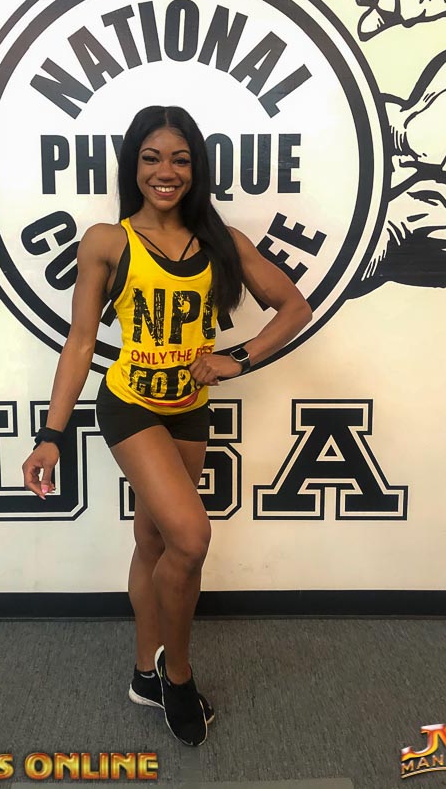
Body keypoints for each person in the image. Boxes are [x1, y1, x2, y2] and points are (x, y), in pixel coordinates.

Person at [22, 105, 312, 747]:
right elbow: (80, 343)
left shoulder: (221, 242)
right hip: (129, 404)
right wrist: (51, 435)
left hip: (188, 407)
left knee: (155, 540)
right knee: (192, 537)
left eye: (180, 159)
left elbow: (294, 306)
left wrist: (237, 358)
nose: (166, 171)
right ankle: (177, 676)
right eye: (151, 157)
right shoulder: (108, 241)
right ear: (133, 165)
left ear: (196, 169)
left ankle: (141, 673)